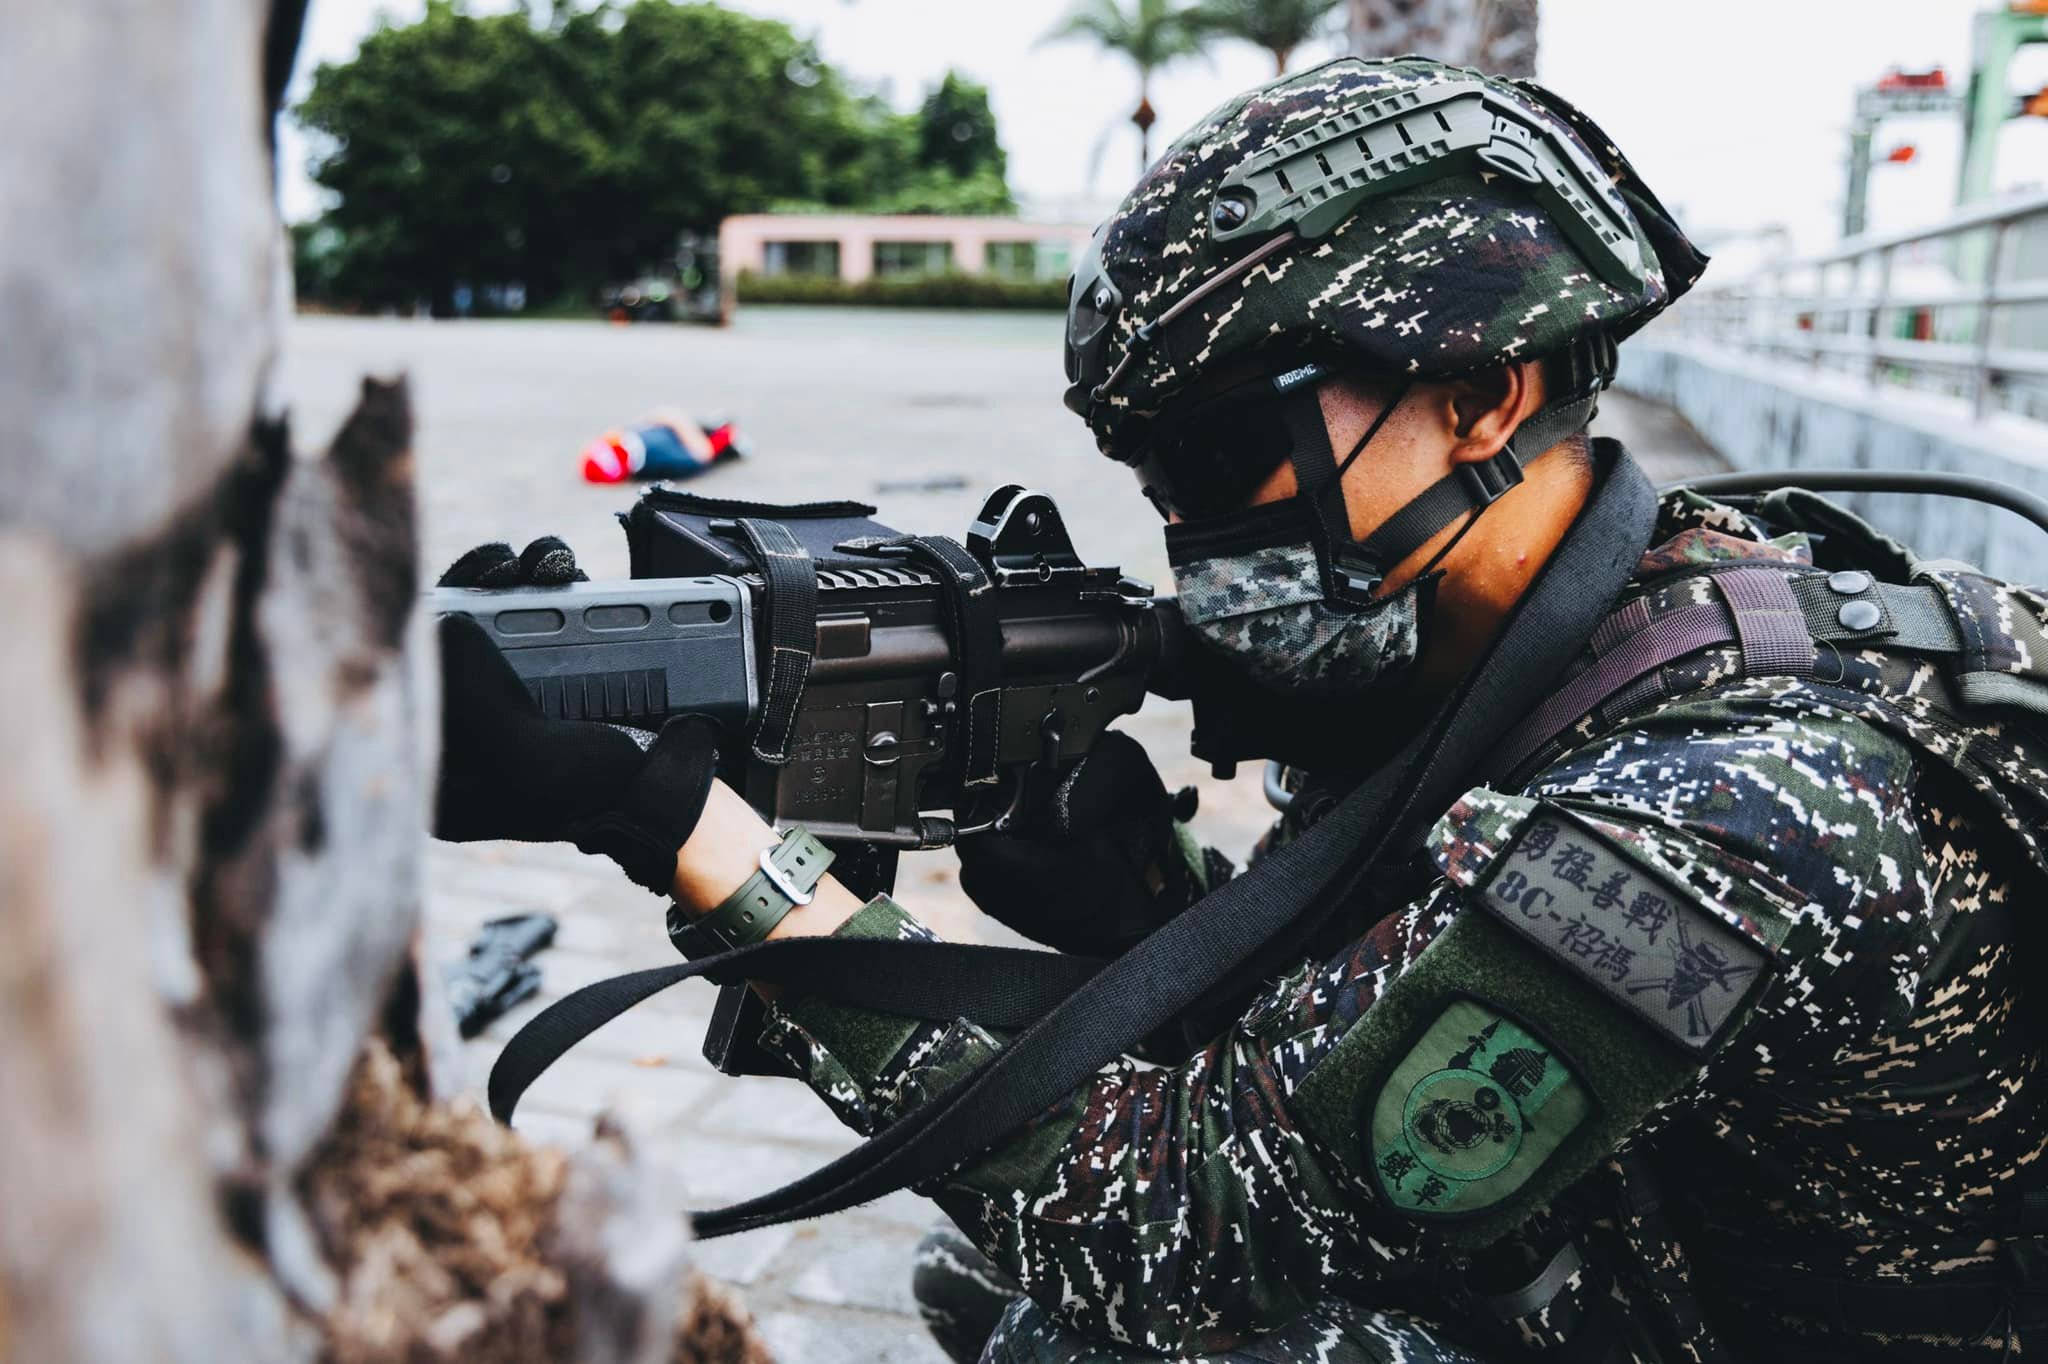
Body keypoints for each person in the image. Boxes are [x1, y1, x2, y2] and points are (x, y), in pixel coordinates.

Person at [436, 57, 2048, 1362]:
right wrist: (1153, 912)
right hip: (1668, 1230)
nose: (1196, 539)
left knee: (1087, 1338)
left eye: (1224, 460)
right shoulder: (1607, 618)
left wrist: (687, 834)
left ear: (1482, 392)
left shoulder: (1715, 811)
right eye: (1159, 479)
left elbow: (1183, 1239)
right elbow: (1387, 1026)